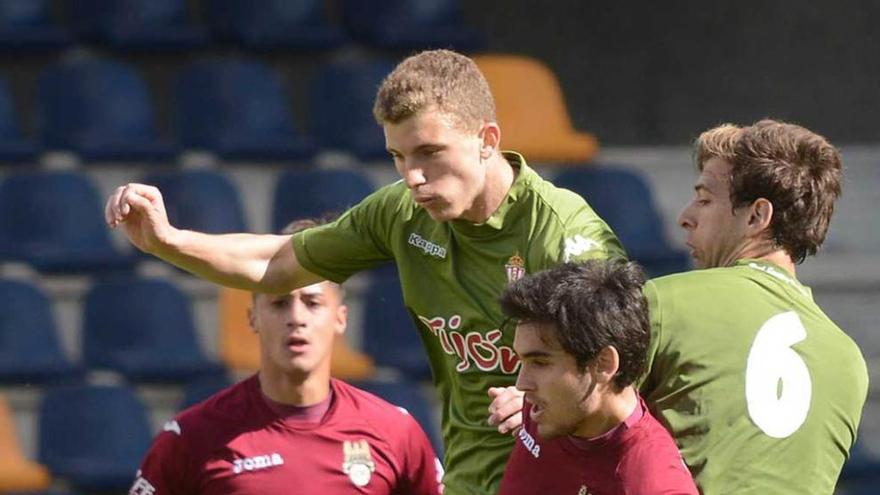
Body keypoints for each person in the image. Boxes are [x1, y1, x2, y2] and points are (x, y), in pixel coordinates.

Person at [106, 49, 625, 495]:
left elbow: (626, 365)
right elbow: (280, 262)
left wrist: (547, 388)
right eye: (398, 157)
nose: (414, 177)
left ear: (487, 138)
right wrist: (169, 241)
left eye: (429, 152)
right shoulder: (402, 212)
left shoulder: (560, 232)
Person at [128, 219, 444, 495]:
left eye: (313, 303)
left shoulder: (395, 431)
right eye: (280, 304)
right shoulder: (191, 437)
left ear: (340, 318)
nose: (296, 318)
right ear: (252, 318)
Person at [639, 119, 868, 493]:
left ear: (757, 216)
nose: (686, 216)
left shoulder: (665, 302)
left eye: (704, 199)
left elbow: (578, 423)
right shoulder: (848, 360)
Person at [496, 260, 698, 494]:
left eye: (540, 363)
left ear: (604, 364)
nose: (522, 385)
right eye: (522, 362)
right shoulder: (546, 414)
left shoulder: (653, 483)